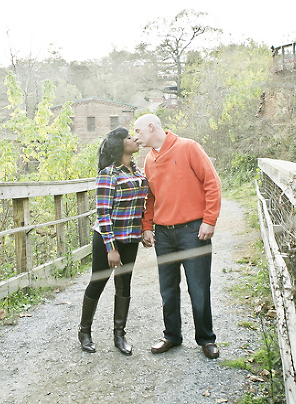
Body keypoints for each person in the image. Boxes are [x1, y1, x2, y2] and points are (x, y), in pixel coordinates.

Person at [133, 113, 222, 359]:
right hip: (163, 234)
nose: (136, 137)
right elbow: (149, 198)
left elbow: (212, 183)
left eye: (138, 131)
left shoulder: (188, 147)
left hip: (193, 232)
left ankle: (206, 339)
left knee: (199, 287)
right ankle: (172, 335)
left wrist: (209, 220)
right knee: (168, 289)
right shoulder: (149, 161)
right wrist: (147, 226)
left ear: (152, 127)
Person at [78, 127, 154, 355]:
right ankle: (84, 331)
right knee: (98, 282)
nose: (135, 139)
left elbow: (141, 206)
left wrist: (144, 230)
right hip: (107, 237)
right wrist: (111, 248)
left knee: (124, 284)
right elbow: (103, 214)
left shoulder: (138, 172)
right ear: (120, 145)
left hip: (130, 238)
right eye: (129, 137)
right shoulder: (108, 174)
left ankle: (119, 335)